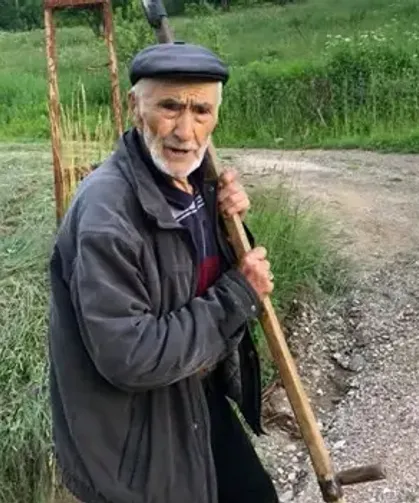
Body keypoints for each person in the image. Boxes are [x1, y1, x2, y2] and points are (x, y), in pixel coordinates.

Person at [48, 41, 277, 503]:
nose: (186, 131)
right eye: (170, 107)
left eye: (201, 111)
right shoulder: (106, 216)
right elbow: (130, 354)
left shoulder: (192, 181)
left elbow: (191, 275)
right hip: (134, 435)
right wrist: (238, 295)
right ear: (136, 107)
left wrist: (225, 225)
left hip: (189, 394)